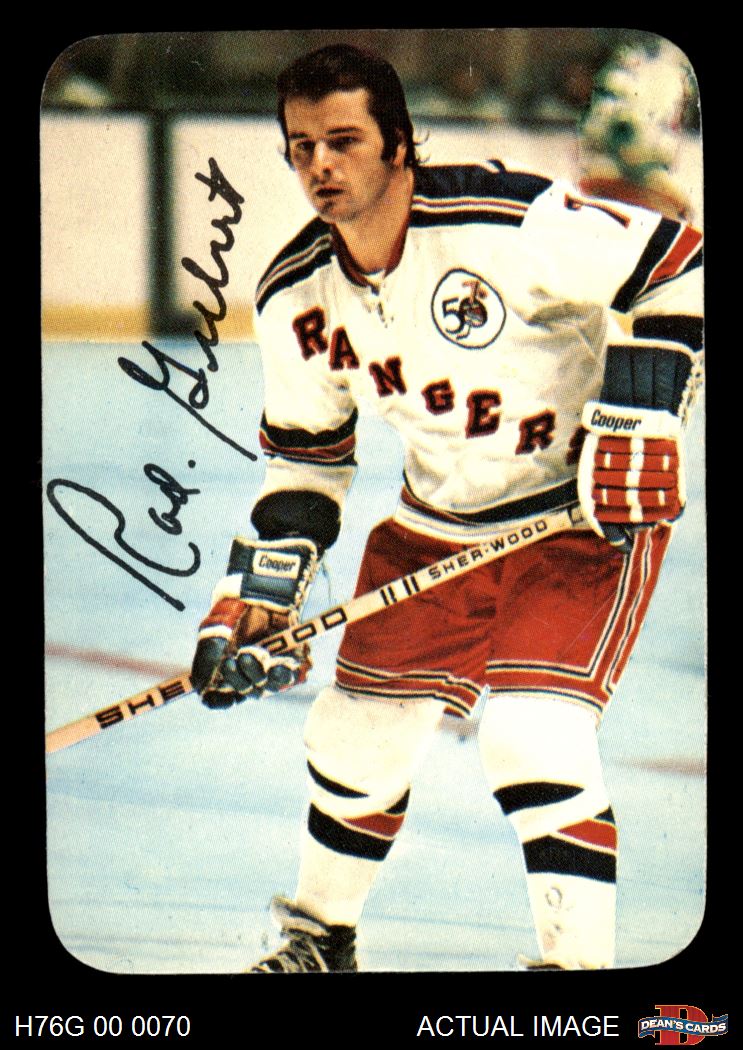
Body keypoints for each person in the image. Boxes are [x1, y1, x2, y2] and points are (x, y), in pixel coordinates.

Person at [191, 43, 703, 972]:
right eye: (301, 147)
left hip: (576, 520)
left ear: (397, 142)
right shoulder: (294, 295)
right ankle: (319, 941)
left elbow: (678, 262)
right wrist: (257, 593)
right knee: (351, 738)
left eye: (343, 141)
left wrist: (642, 409)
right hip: (435, 527)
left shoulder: (505, 221)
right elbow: (307, 460)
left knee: (532, 738)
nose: (320, 165)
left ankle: (576, 974)